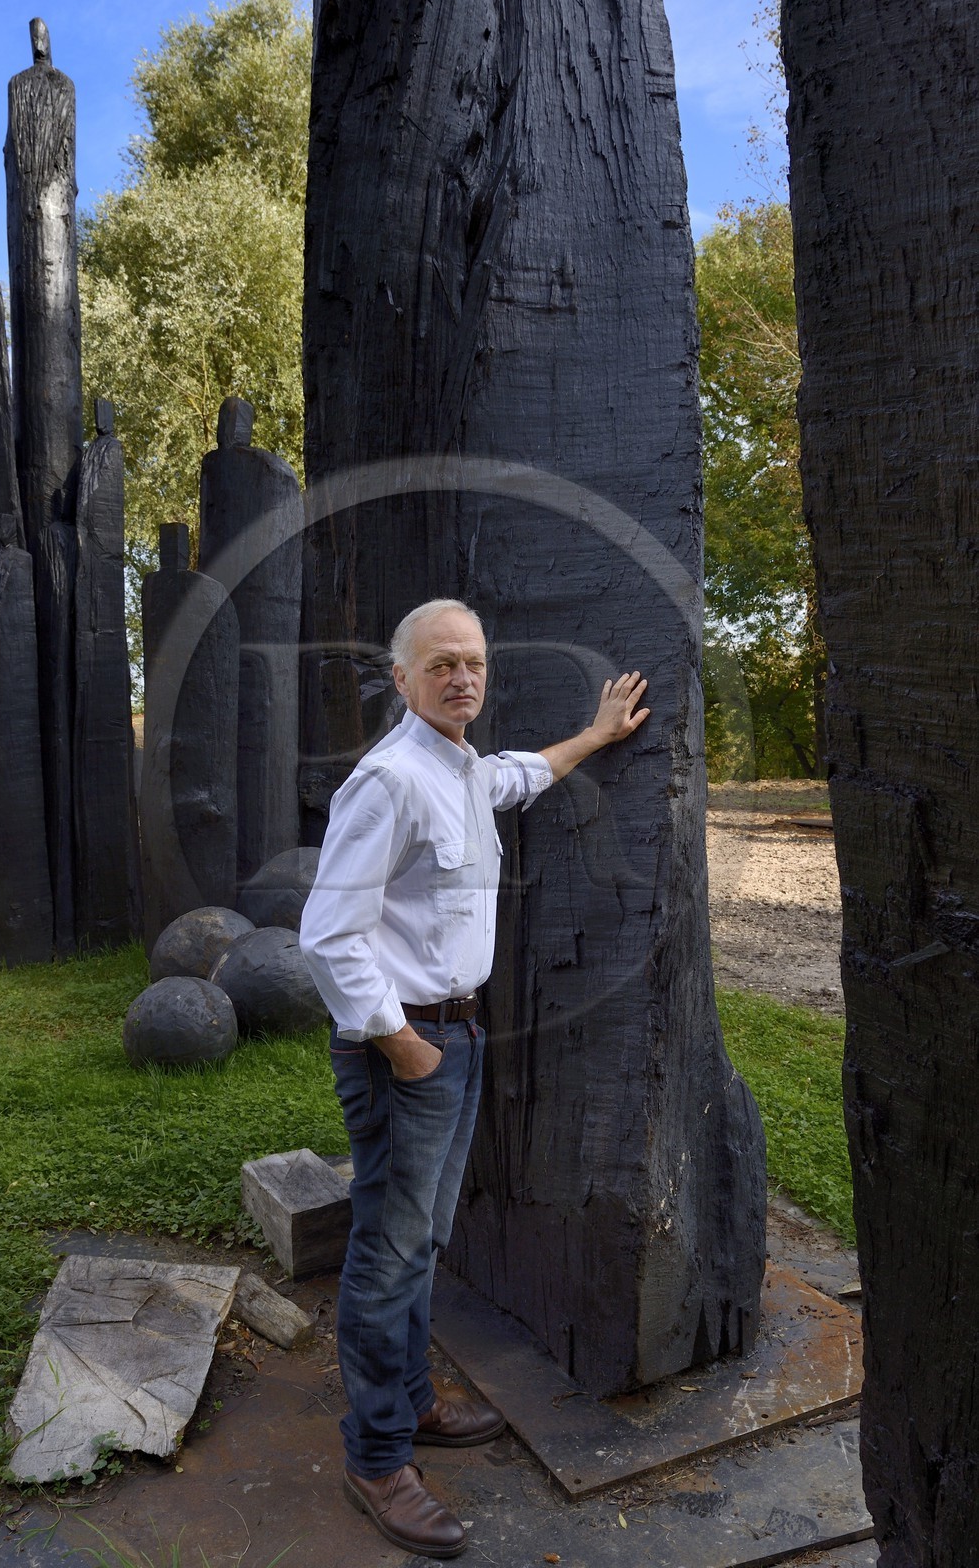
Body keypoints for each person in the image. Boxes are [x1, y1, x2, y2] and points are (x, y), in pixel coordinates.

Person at [299, 599, 650, 1559]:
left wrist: (592, 734)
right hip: (405, 1050)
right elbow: (327, 936)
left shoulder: (457, 769)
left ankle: (410, 1405)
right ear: (403, 679)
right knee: (387, 1253)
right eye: (442, 664)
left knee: (419, 1244)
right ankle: (375, 1459)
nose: (462, 677)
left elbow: (517, 778)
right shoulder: (388, 782)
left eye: (475, 663)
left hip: (454, 1042)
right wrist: (403, 1045)